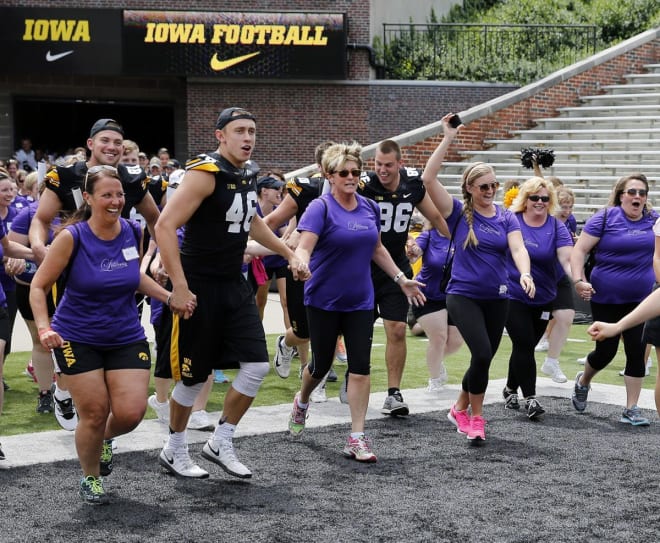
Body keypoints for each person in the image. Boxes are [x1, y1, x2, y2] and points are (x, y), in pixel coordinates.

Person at [154, 107, 308, 479]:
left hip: (233, 283)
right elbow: (164, 225)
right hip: (199, 285)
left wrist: (288, 252)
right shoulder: (204, 174)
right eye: (239, 130)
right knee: (192, 377)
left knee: (255, 365)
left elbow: (250, 220)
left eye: (252, 130)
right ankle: (174, 447)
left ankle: (221, 440)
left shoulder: (247, 172)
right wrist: (179, 286)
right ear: (220, 135)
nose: (248, 137)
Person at [28, 165, 177, 504]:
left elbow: (133, 277)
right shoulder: (72, 237)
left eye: (120, 195)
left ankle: (104, 440)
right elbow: (39, 286)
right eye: (107, 195)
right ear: (89, 198)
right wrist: (44, 328)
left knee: (130, 413)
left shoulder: (131, 229)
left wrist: (169, 297)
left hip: (124, 334)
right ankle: (90, 477)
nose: (116, 201)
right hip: (76, 337)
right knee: (94, 412)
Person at [288, 141, 425, 462]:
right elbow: (305, 245)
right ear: (330, 175)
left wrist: (400, 279)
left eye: (355, 172)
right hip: (323, 298)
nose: (351, 177)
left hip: (360, 300)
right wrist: (300, 261)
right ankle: (302, 401)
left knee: (361, 369)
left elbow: (377, 249)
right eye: (344, 172)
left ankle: (357, 436)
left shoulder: (369, 207)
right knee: (319, 365)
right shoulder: (320, 207)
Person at [421, 113, 535, 443]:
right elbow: (428, 180)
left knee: (482, 359)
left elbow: (518, 248)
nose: (490, 190)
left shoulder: (505, 217)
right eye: (483, 186)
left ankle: (458, 407)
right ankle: (476, 418)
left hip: (499, 296)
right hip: (463, 295)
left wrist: (525, 272)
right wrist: (447, 138)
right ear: (470, 188)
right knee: (483, 354)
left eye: (494, 185)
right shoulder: (457, 212)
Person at [358, 139, 450, 417]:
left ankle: (393, 393)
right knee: (356, 330)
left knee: (397, 328)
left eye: (388, 165)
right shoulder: (364, 184)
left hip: (396, 267)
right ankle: (354, 376)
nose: (382, 171)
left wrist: (456, 239)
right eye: (378, 165)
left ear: (400, 163)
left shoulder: (412, 184)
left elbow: (434, 214)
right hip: (361, 266)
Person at [570, 173, 657, 425]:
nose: (637, 197)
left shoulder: (653, 220)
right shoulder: (605, 217)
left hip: (641, 300)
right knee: (605, 352)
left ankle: (632, 408)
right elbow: (579, 251)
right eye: (632, 192)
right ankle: (584, 380)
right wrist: (578, 280)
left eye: (642, 193)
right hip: (605, 297)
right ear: (621, 195)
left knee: (637, 350)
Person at [28, 119, 160, 265]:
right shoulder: (66, 175)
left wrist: (163, 255)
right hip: (75, 264)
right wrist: (38, 246)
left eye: (117, 143)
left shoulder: (132, 178)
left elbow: (155, 219)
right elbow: (41, 219)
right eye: (105, 140)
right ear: (90, 144)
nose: (111, 147)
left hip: (117, 263)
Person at [263, 141, 332, 391]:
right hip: (303, 265)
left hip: (334, 269)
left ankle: (317, 380)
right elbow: (273, 220)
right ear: (320, 167)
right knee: (302, 331)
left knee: (332, 328)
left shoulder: (355, 190)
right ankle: (286, 343)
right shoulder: (306, 189)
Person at [501, 178, 573, 419]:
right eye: (535, 198)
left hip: (544, 296)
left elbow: (566, 258)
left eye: (544, 198)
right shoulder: (512, 220)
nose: (540, 202)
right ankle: (530, 397)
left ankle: (510, 388)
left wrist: (579, 280)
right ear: (525, 199)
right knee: (523, 344)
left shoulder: (555, 226)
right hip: (513, 293)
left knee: (526, 346)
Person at [408, 219, 464, 392]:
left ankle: (435, 360)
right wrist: (413, 251)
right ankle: (434, 379)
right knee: (439, 337)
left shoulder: (462, 237)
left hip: (454, 295)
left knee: (456, 342)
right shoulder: (429, 235)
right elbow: (417, 251)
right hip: (426, 294)